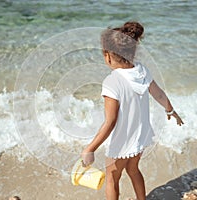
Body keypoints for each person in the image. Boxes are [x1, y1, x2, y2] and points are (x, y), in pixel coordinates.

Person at [81, 21, 184, 200]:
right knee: (133, 169)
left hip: (122, 141)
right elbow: (158, 94)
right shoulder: (142, 71)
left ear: (107, 56)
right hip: (140, 136)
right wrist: (170, 110)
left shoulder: (112, 82)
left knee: (113, 177)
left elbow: (110, 122)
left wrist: (90, 149)